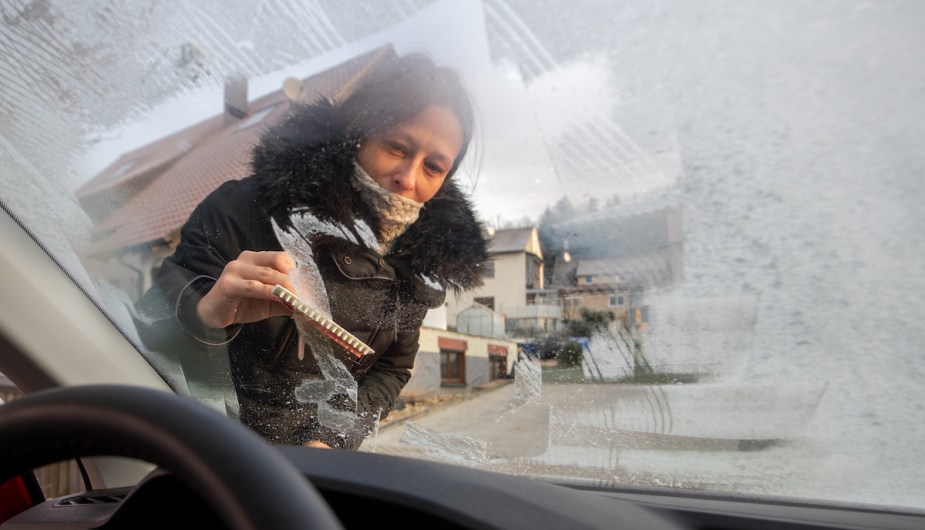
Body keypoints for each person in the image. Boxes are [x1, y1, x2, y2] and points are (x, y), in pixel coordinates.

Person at [135, 53, 487, 450]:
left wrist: (334, 437)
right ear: (359, 131)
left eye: (434, 167)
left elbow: (392, 370)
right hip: (204, 458)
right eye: (396, 147)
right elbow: (148, 329)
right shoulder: (246, 208)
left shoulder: (418, 265)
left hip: (313, 478)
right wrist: (206, 311)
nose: (408, 178)